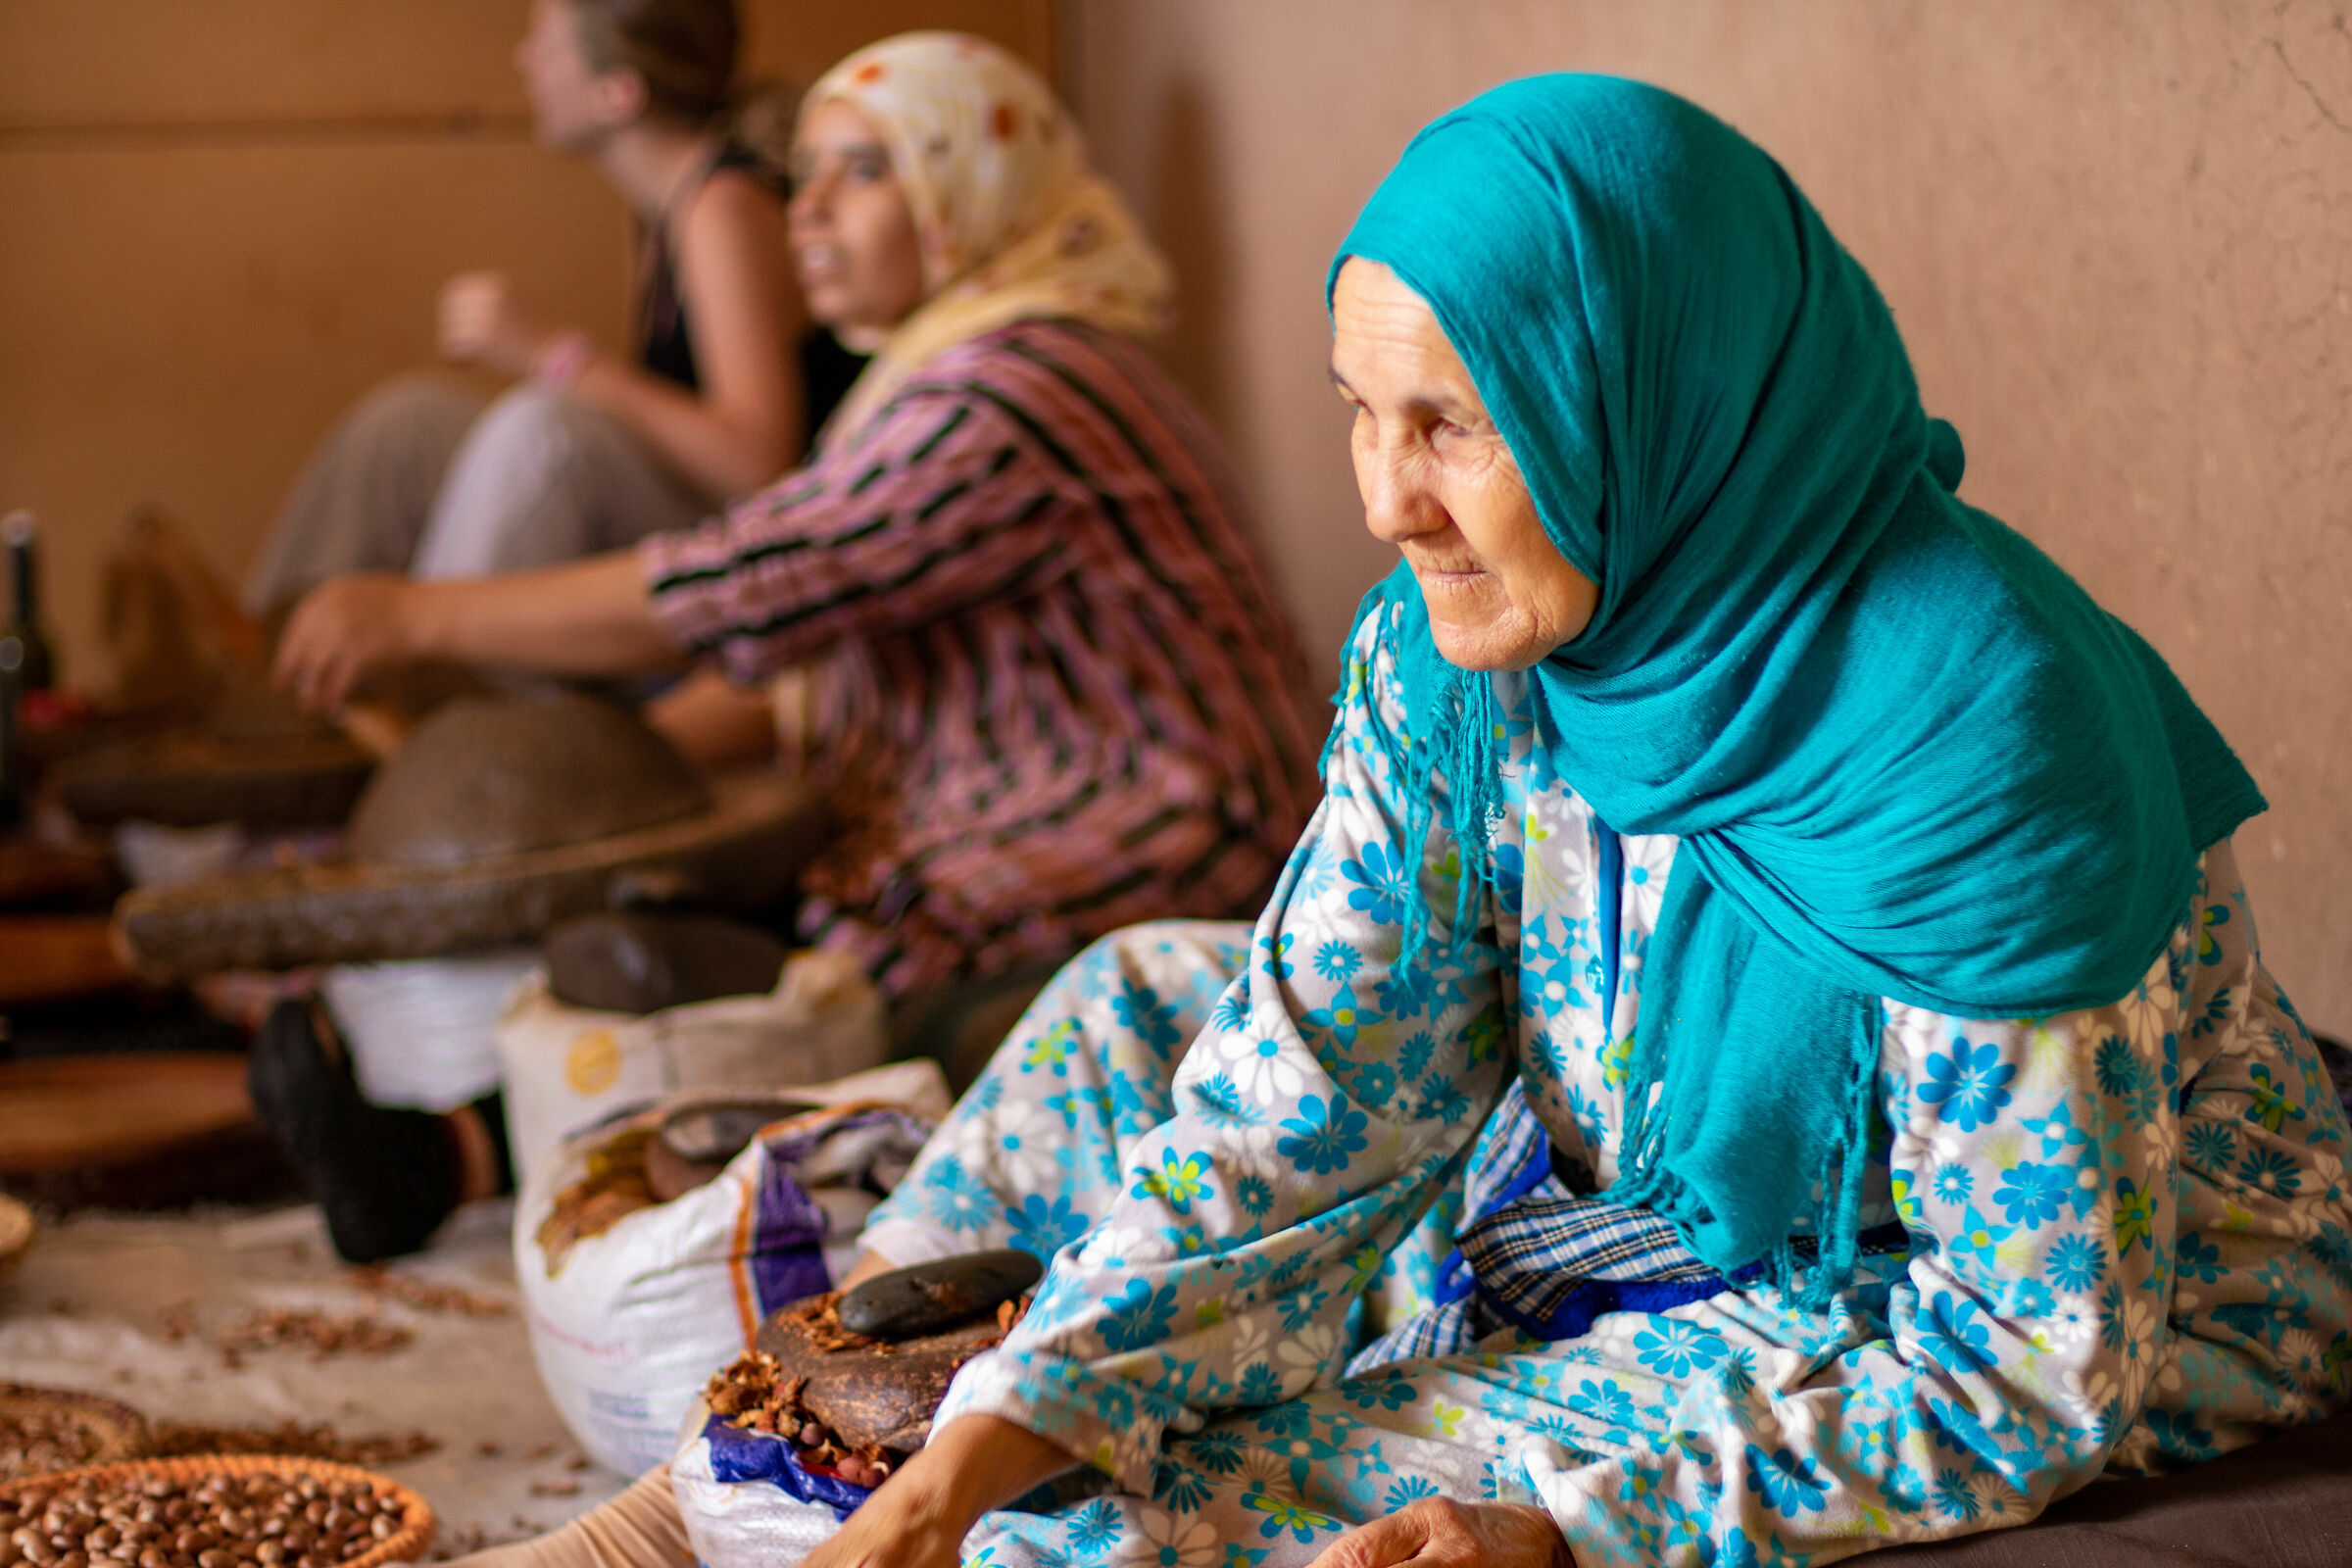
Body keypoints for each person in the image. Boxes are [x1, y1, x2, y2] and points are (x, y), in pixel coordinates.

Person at [741, 75, 2341, 1567]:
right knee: (1126, 1021)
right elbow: (1324, 1074)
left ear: (1657, 402)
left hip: (1901, 1296)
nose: (1385, 498)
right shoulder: (1459, 664)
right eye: (1360, 410)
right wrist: (1000, 1429)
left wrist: (1577, 1533)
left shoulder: (1981, 742)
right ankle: (804, 1478)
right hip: (1615, 1157)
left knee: (1116, 1527)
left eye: (1451, 423)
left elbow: (2026, 1358)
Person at [255, 33, 1319, 1261]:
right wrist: (596, 774)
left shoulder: (1023, 383)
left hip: (1173, 843)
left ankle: (460, 1153)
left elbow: (763, 582)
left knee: (833, 991)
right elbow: (818, 668)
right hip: (1020, 814)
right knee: (716, 914)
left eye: (860, 174)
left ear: (966, 191)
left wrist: (419, 616)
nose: (806, 214)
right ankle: (436, 1153)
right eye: (802, 174)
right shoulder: (931, 376)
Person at [241, 0, 863, 618]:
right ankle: (272, 659)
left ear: (617, 94)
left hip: (756, 551)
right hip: (688, 508)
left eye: (548, 45)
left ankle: (431, 669)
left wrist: (554, 356)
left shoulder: (722, 209)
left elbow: (756, 464)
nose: (525, 59)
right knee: (408, 428)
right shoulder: (660, 207)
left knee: (543, 432)